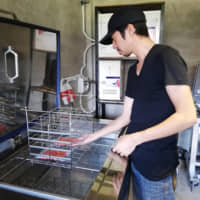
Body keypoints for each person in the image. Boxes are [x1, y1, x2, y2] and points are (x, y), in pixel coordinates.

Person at [73, 7, 197, 200]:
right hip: (136, 160)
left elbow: (188, 116)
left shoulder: (166, 57)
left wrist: (133, 139)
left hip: (156, 168)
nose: (113, 45)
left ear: (130, 29)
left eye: (114, 39)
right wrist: (93, 136)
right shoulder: (133, 71)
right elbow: (127, 117)